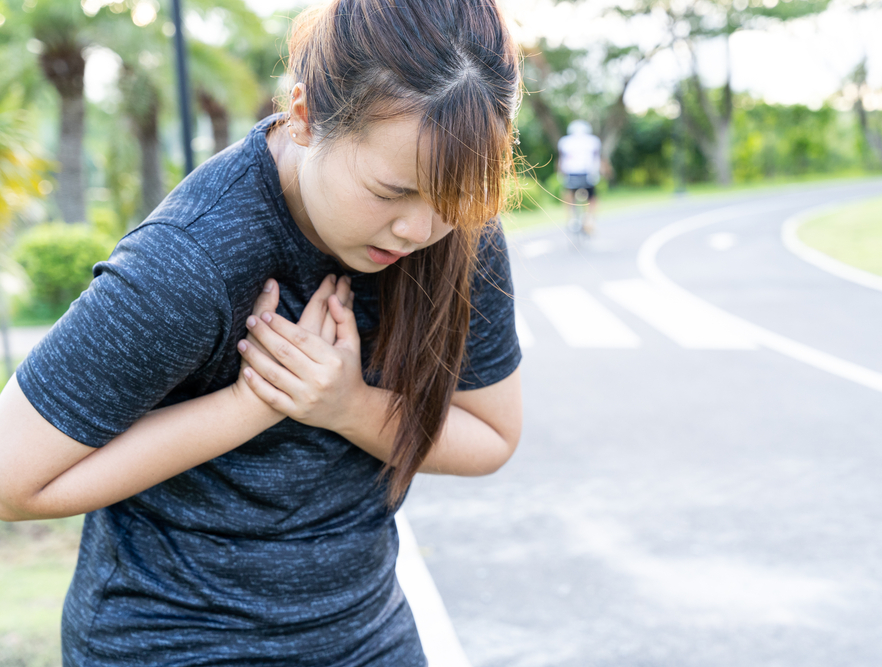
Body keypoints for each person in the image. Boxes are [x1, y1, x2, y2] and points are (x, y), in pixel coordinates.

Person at [0, 0, 522, 664]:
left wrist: (347, 406)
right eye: (391, 192)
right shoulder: (192, 263)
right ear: (303, 117)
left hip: (364, 633)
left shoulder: (461, 222)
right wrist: (249, 404)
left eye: (453, 196)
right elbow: (10, 479)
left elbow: (493, 434)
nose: (421, 231)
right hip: (170, 641)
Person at [557, 119, 602, 236]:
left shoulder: (565, 141)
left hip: (571, 174)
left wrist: (560, 174)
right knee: (592, 197)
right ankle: (590, 218)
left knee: (569, 194)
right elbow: (596, 159)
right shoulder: (593, 141)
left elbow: (561, 160)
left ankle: (571, 218)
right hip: (588, 174)